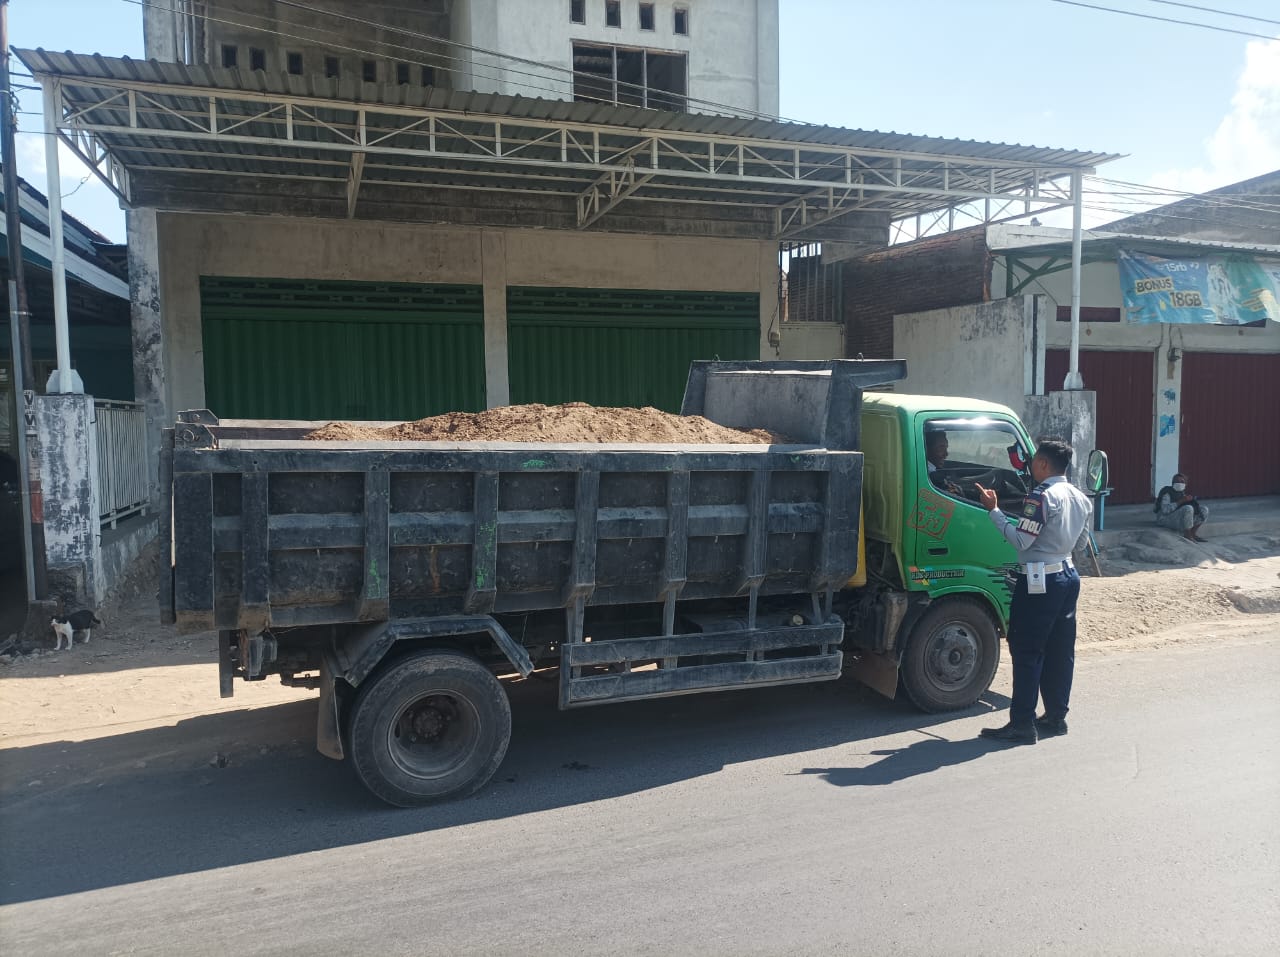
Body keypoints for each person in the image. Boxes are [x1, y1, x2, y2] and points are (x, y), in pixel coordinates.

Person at [974, 439, 1093, 745]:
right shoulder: (1080, 497)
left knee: (1027, 650)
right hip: (1068, 576)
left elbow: (1021, 541)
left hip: (1041, 582)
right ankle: (1056, 717)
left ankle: (1022, 723)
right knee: (1059, 650)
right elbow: (1081, 545)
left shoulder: (1041, 497)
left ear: (1042, 464)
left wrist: (994, 511)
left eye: (1034, 461)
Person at [1154, 473, 1208, 542]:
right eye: (1177, 481)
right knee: (1188, 508)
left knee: (1204, 509)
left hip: (1175, 518)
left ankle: (1192, 533)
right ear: (1172, 483)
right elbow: (1165, 510)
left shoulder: (1182, 493)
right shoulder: (1167, 492)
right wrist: (1181, 501)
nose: (1179, 483)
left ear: (1185, 484)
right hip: (1164, 519)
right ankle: (1187, 535)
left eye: (1182, 482)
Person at [925, 431, 962, 495]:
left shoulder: (930, 471)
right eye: (941, 448)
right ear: (927, 449)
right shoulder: (932, 477)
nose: (946, 454)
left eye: (946, 448)